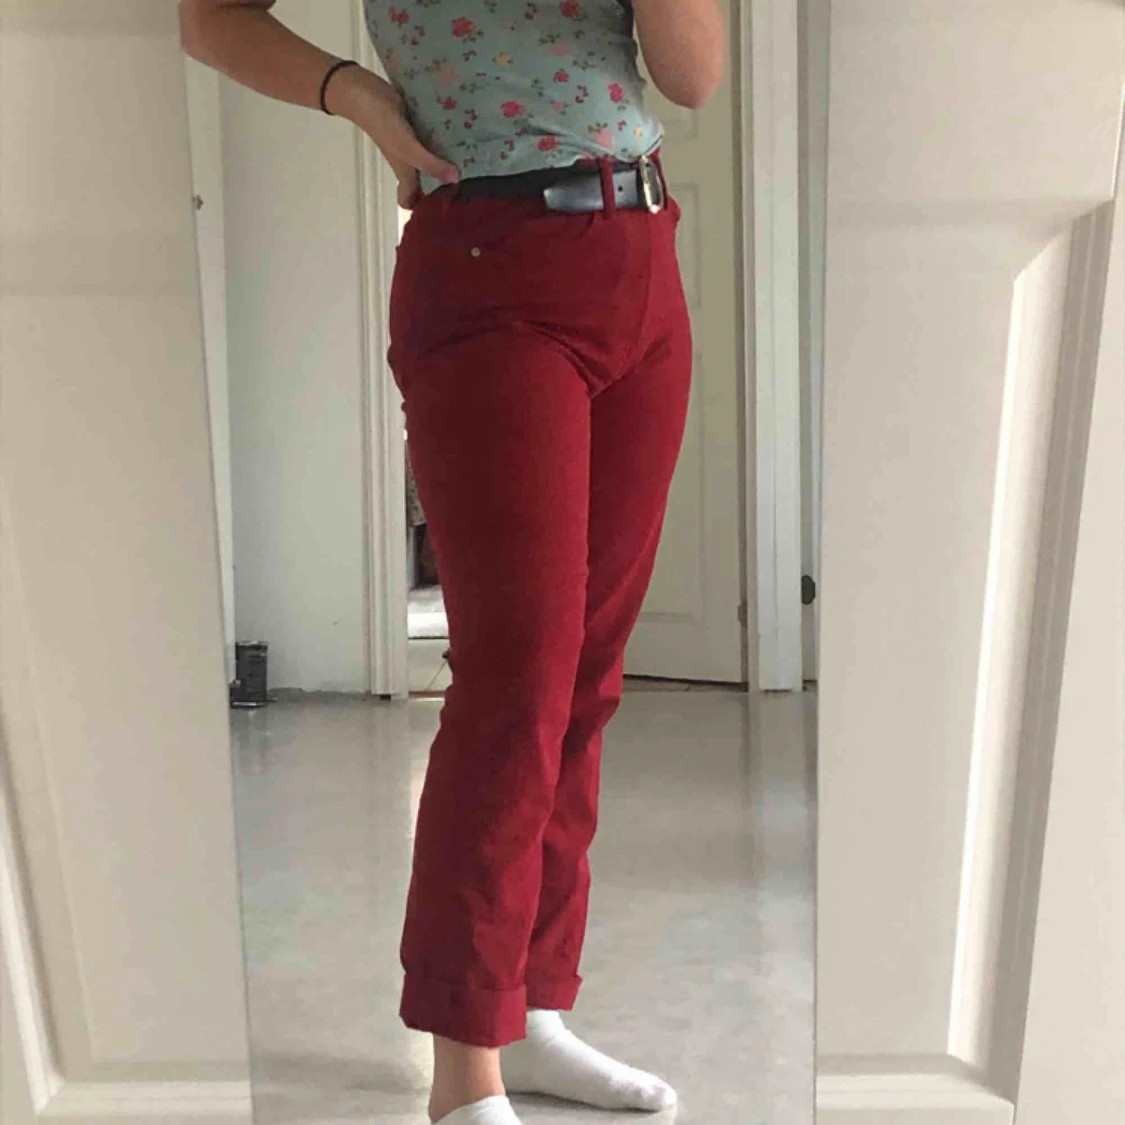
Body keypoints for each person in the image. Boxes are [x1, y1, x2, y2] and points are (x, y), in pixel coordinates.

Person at [179, 2, 725, 1122]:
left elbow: (692, 77)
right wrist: (356, 94)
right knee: (516, 680)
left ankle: (534, 1013)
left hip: (640, 248)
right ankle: (464, 1069)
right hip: (487, 264)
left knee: (587, 676)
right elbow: (209, 18)